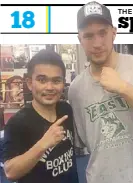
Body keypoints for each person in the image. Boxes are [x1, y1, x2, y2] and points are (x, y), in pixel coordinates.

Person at [68, 1, 133, 183]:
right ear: (80, 39)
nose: (97, 43)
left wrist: (123, 88)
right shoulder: (76, 89)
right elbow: (85, 140)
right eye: (89, 36)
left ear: (114, 33)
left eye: (103, 33)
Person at [3, 49, 79, 183]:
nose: (49, 87)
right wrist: (44, 143)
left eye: (56, 81)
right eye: (42, 80)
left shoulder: (65, 110)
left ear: (63, 84)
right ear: (30, 83)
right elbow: (10, 172)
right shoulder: (18, 123)